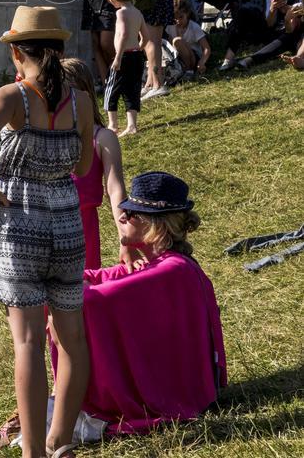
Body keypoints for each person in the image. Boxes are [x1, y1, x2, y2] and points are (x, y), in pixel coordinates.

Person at [0, 6, 94, 458]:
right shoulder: (81, 101)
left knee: (26, 340)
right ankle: (60, 439)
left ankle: (33, 453)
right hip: (65, 221)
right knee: (71, 338)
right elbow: (83, 165)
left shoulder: (13, 97)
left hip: (19, 222)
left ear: (19, 53)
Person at [77, 172, 226, 435]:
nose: (121, 217)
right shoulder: (163, 263)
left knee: (77, 303)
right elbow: (98, 278)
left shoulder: (172, 270)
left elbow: (96, 300)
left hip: (179, 393)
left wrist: (70, 289)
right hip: (183, 384)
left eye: (131, 213)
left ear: (156, 224)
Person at [60, 58, 131, 269]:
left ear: (85, 94)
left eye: (68, 93)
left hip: (83, 230)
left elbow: (115, 188)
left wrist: (125, 237)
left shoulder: (102, 137)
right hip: (47, 226)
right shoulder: (48, 135)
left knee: (81, 292)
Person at [238, 0, 304, 69]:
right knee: (281, 40)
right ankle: (251, 59)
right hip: (282, 32)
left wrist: (289, 10)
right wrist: (273, 9)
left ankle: (299, 58)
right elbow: (269, 24)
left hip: (300, 28)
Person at [103, 0, 147, 136]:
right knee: (132, 90)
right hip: (136, 56)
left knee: (111, 89)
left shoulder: (121, 13)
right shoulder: (137, 12)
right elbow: (145, 37)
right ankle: (132, 125)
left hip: (124, 57)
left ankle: (113, 125)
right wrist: (138, 49)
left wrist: (118, 57)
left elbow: (123, 35)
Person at [165, 0, 211, 78]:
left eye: (181, 17)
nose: (178, 21)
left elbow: (206, 48)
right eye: (175, 18)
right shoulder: (170, 27)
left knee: (177, 40)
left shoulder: (194, 27)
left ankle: (189, 71)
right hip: (177, 58)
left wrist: (202, 62)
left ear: (187, 14)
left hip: (193, 58)